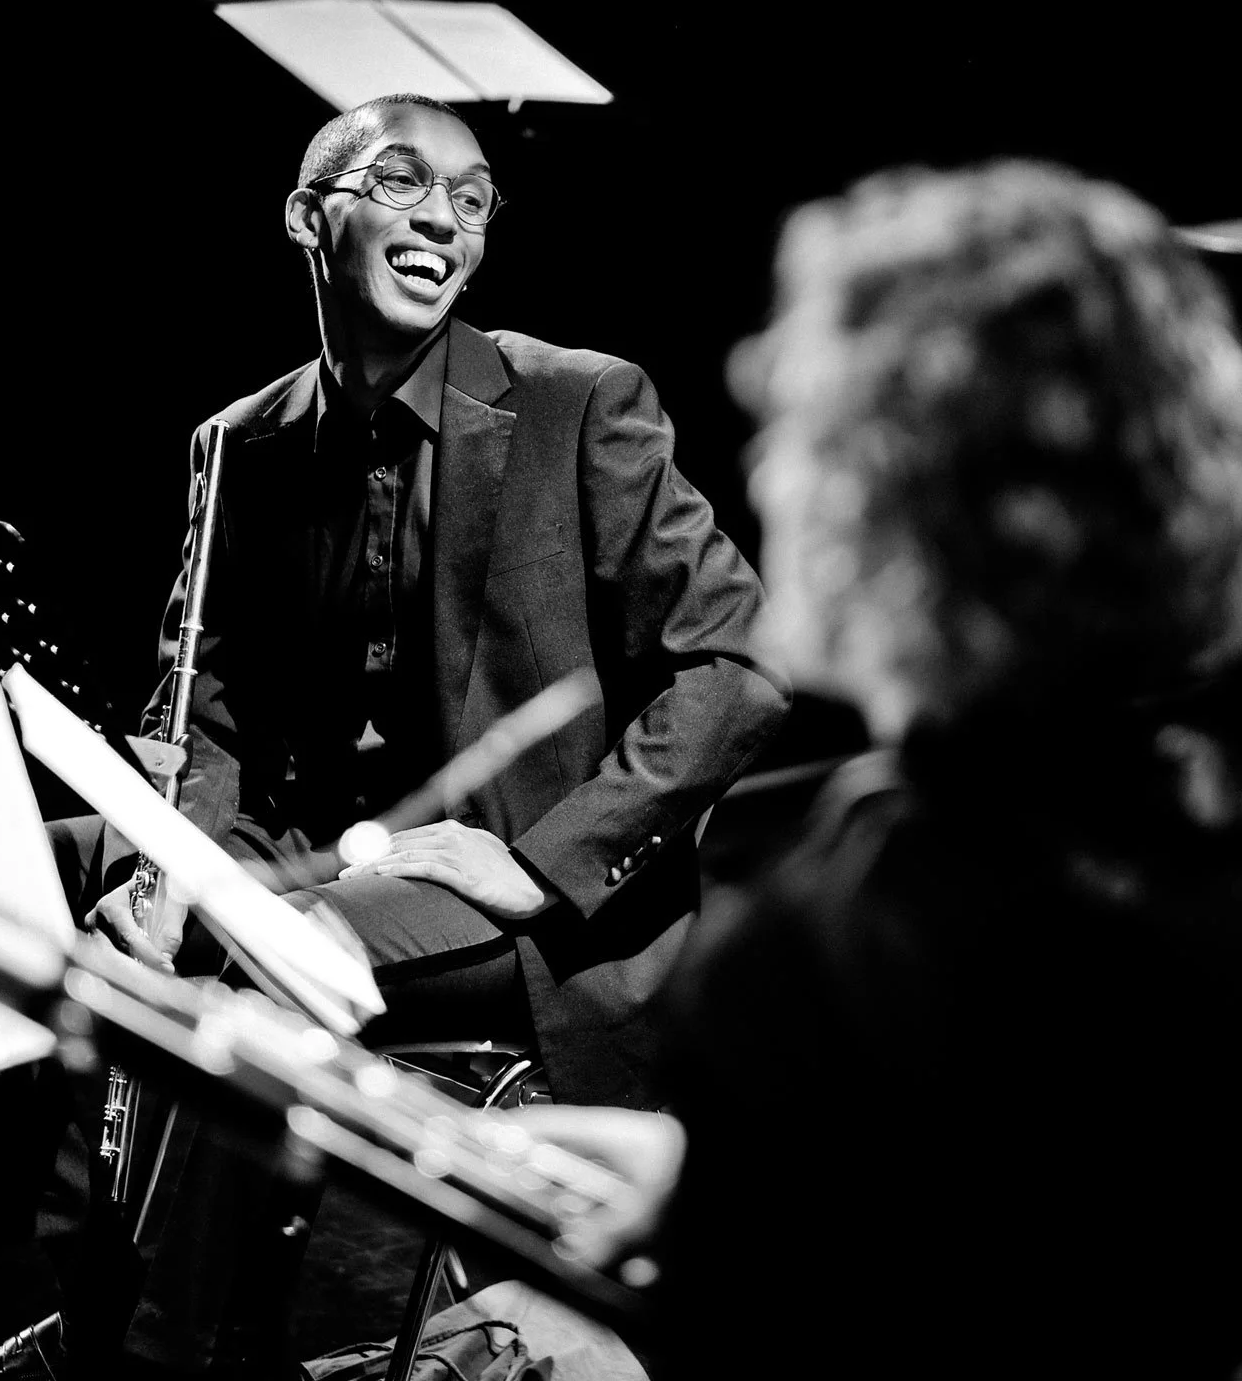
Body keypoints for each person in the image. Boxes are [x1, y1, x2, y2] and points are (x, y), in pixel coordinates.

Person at [81, 92, 788, 1377]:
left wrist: (543, 864)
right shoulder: (236, 445)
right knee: (44, 872)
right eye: (403, 182)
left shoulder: (578, 401)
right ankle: (53, 1272)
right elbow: (202, 715)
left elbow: (739, 662)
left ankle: (156, 1355)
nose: (444, 221)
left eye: (471, 200)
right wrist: (160, 866)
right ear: (309, 217)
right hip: (309, 854)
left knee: (269, 969)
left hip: (512, 901)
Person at [512, 160, 1242, 1380]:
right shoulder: (1192, 825)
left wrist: (720, 1220)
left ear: (881, 492)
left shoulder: (829, 948)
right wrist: (722, 1171)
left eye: (802, 432)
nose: (769, 470)